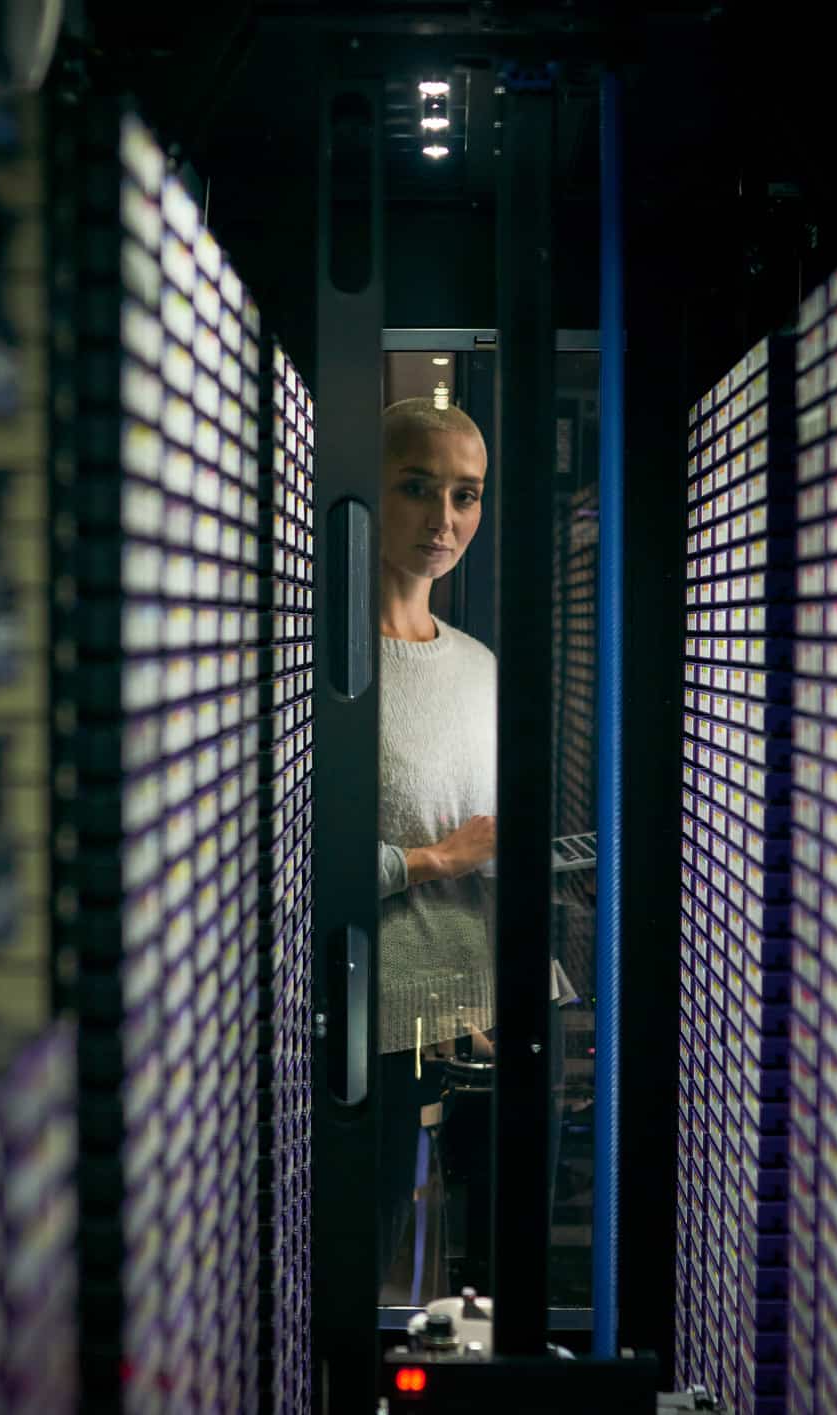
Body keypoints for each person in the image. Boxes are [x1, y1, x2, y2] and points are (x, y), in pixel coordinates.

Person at [372, 395, 499, 1291]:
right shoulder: (320, 660)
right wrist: (439, 859)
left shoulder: (480, 665)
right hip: (371, 1038)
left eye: (466, 495)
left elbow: (483, 838)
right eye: (419, 488)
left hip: (479, 1028)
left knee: (474, 1294)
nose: (445, 520)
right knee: (365, 1279)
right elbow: (287, 865)